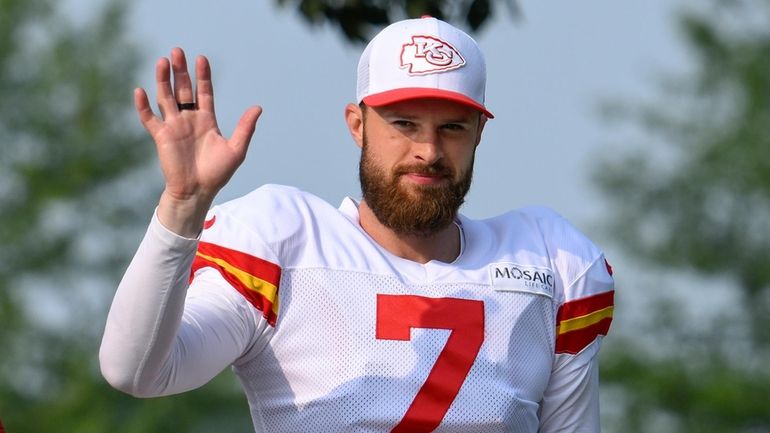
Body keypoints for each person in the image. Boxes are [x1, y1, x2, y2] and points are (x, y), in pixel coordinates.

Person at [100, 16, 615, 433]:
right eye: (404, 124)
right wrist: (183, 205)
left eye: (451, 128)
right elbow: (138, 371)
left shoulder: (550, 263)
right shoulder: (283, 242)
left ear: (479, 133)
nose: (428, 151)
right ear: (356, 125)